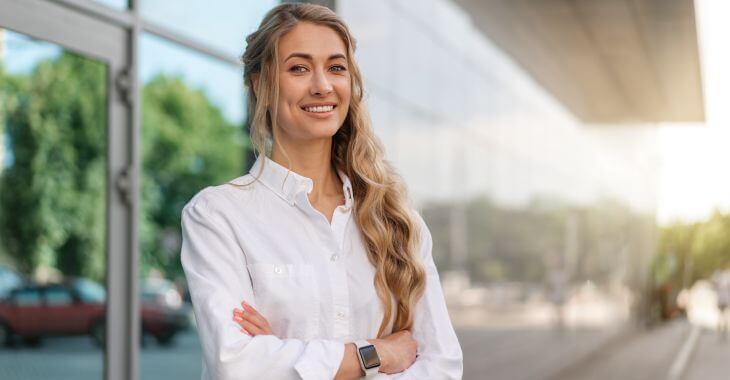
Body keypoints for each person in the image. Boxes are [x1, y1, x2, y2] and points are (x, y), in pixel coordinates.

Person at [180, 3, 463, 380]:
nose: (322, 86)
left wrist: (287, 358)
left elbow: (442, 366)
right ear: (259, 82)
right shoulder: (217, 216)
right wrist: (375, 355)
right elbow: (237, 365)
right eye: (298, 68)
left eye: (336, 68)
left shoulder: (397, 220)